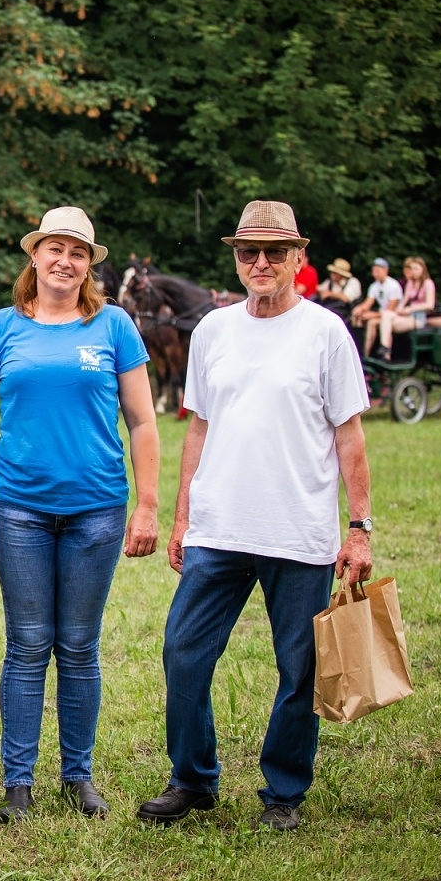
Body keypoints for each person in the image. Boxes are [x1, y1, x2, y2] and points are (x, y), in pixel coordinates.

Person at [137, 199, 372, 833]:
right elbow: (198, 430)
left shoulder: (325, 332)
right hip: (219, 528)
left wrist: (359, 527)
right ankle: (193, 779)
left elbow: (349, 437)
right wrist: (183, 518)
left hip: (301, 535)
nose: (261, 263)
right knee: (183, 653)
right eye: (248, 253)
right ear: (236, 259)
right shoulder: (213, 330)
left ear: (299, 257)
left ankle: (284, 791)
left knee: (298, 669)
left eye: (274, 252)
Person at [0, 206, 160, 823]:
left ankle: (79, 777)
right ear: (36, 256)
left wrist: (147, 505)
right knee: (26, 644)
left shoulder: (115, 327)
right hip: (18, 510)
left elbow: (144, 421)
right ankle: (18, 782)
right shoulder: (0, 329)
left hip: (97, 510)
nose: (65, 261)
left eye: (77, 252)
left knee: (78, 646)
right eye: (55, 249)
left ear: (89, 264)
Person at [378, 255, 436, 355]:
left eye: (416, 269)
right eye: (412, 269)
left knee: (387, 325)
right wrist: (399, 310)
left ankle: (386, 353)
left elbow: (430, 305)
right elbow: (404, 300)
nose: (413, 271)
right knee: (386, 315)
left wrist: (411, 308)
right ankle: (385, 348)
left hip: (418, 318)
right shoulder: (410, 283)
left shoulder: (428, 283)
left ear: (423, 269)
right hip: (407, 316)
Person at [352, 257, 402, 357]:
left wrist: (372, 315)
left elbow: (391, 309)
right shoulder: (374, 286)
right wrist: (359, 309)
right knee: (360, 317)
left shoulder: (393, 285)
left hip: (394, 315)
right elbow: (368, 304)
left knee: (371, 322)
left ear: (386, 270)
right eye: (374, 270)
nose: (375, 273)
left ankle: (381, 355)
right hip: (382, 315)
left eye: (378, 270)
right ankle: (363, 353)